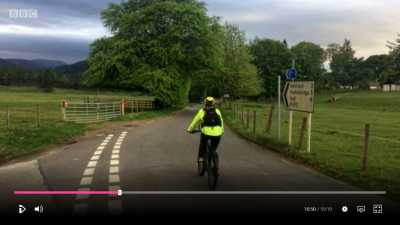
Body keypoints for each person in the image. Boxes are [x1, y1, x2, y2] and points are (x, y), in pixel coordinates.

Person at [187, 96, 224, 163]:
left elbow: (194, 122)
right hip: (217, 133)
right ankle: (213, 154)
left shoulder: (201, 111)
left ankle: (201, 157)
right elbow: (221, 122)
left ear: (205, 103)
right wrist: (221, 130)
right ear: (213, 103)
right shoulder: (217, 111)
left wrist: (190, 130)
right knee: (213, 147)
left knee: (203, 143)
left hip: (206, 133)